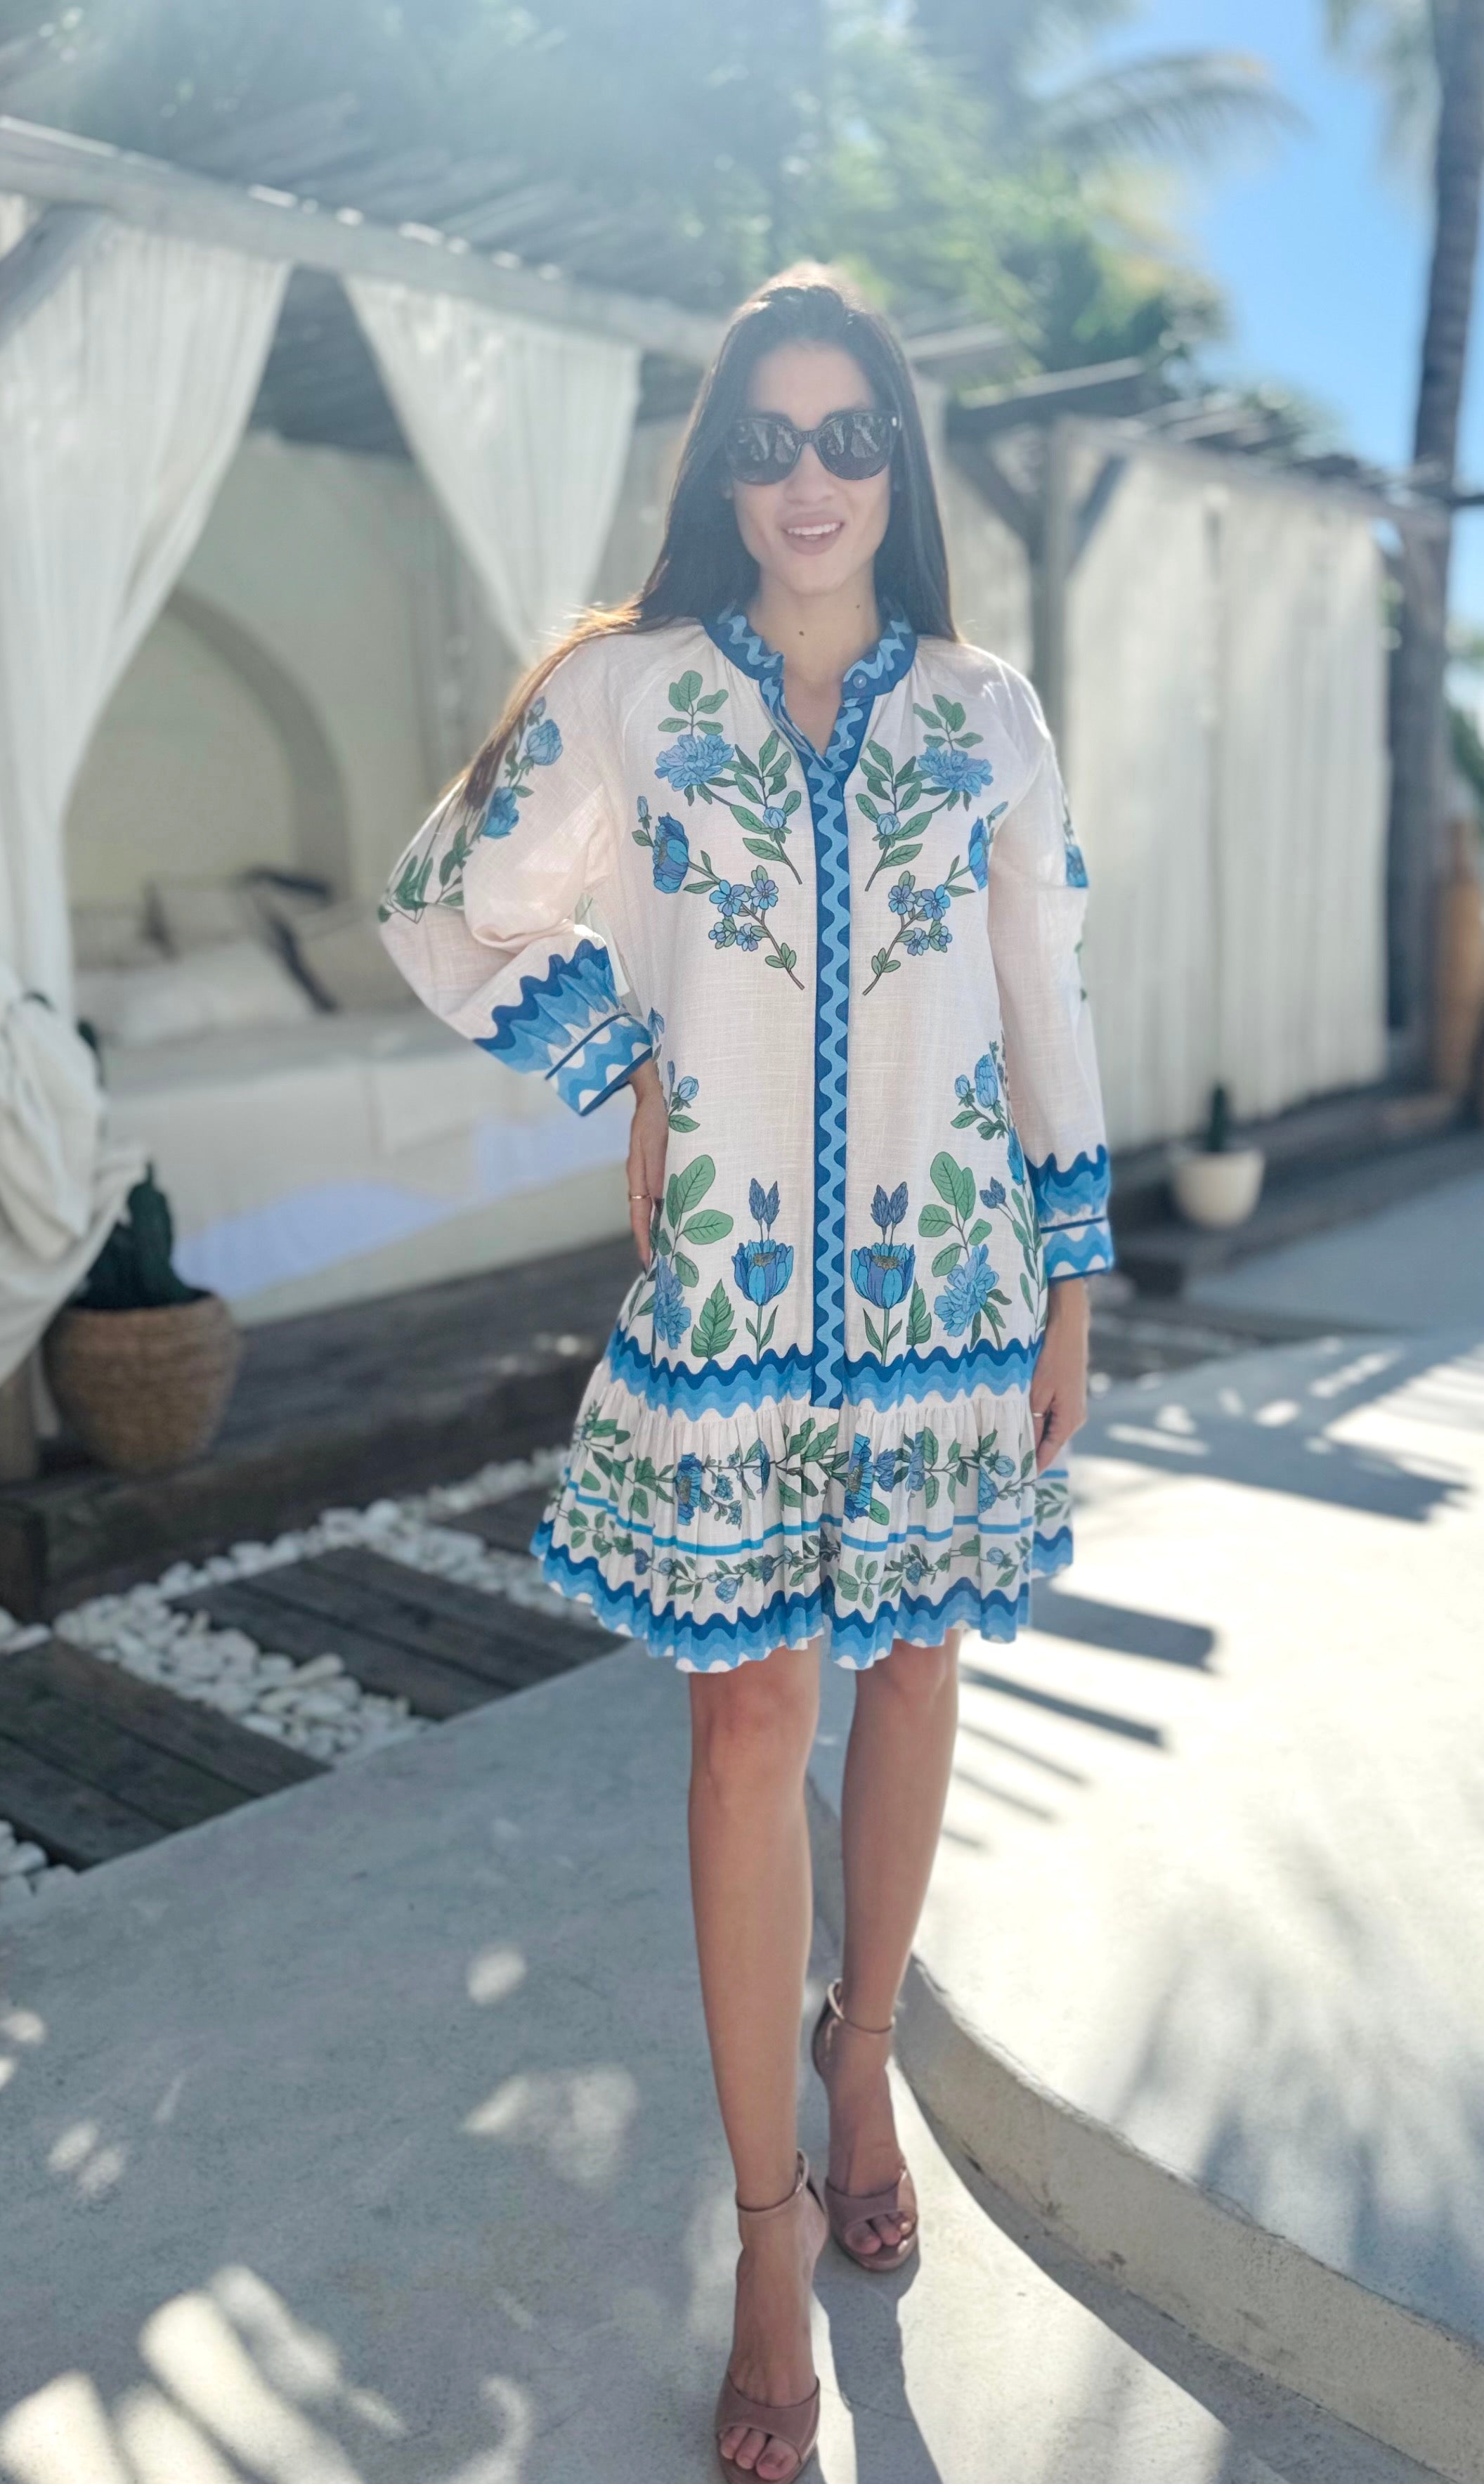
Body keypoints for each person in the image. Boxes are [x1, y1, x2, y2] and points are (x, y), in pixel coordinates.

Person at [379, 263, 1111, 2483]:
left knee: (914, 1667)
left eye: (848, 437)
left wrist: (1074, 1279)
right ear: (721, 467)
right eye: (768, 440)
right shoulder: (632, 693)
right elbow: (447, 902)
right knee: (744, 1726)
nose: (809, 479)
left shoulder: (984, 709)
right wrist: (626, 1061)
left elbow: (1045, 992)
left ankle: (859, 2052)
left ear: (897, 463)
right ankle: (766, 2235)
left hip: (949, 1284)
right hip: (729, 1303)